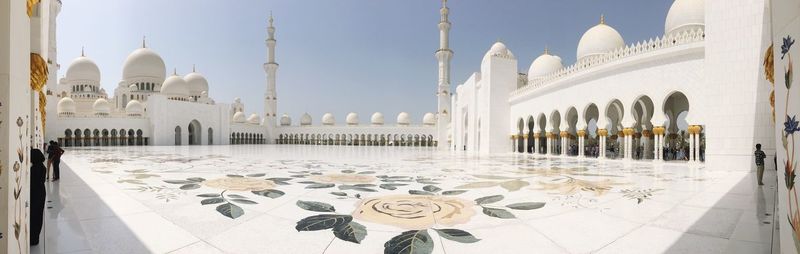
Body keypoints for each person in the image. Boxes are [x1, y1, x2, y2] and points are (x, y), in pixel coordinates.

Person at [29, 149, 46, 245]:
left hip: (36, 193)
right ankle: (35, 238)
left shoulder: (34, 169)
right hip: (41, 192)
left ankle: (33, 238)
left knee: (34, 215)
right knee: (38, 215)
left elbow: (33, 183)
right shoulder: (42, 167)